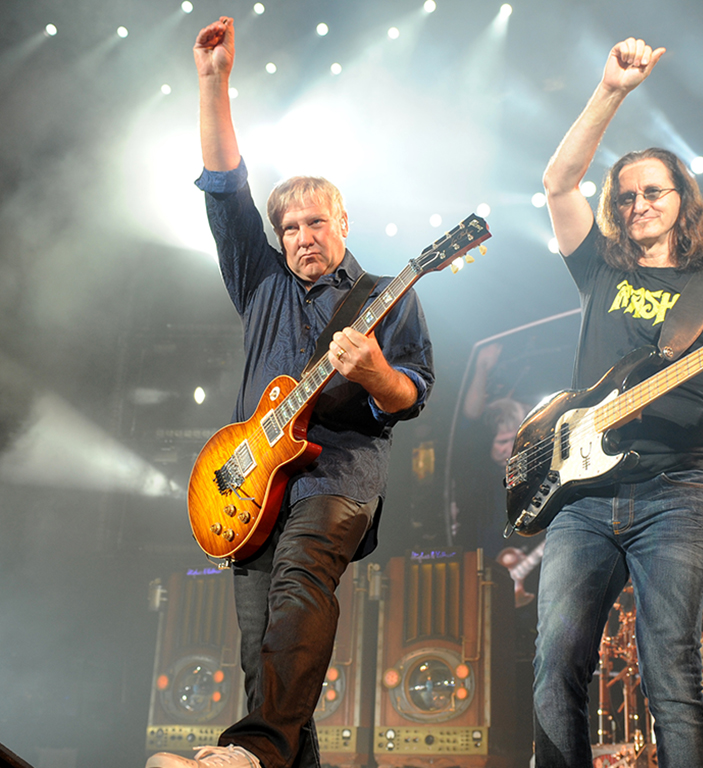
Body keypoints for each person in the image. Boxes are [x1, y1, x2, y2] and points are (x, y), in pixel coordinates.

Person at [147, 17, 434, 768]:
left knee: (301, 590)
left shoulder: (386, 295)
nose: (304, 235)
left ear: (343, 223)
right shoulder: (261, 282)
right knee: (263, 653)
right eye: (291, 227)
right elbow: (225, 187)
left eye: (317, 222)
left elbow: (410, 395)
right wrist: (213, 81)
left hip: (336, 477)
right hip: (249, 486)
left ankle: (246, 750)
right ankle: (269, 758)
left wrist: (371, 371)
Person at [533, 38, 703, 768]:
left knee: (671, 669)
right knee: (556, 662)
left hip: (674, 491)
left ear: (682, 201)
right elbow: (558, 182)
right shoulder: (599, 268)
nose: (637, 204)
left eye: (653, 192)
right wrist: (612, 91)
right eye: (625, 197)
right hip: (581, 496)